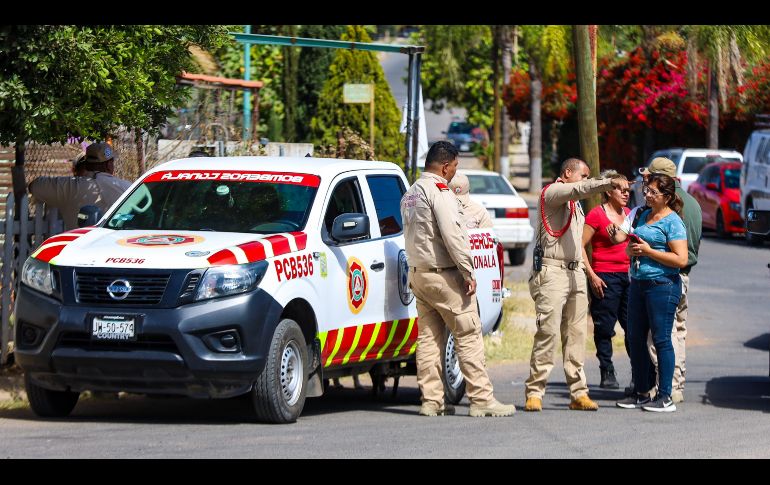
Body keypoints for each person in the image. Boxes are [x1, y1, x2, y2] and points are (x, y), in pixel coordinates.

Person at [400, 140, 515, 417]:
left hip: (419, 275)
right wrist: (467, 271)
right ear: (444, 166)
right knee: (468, 334)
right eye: (454, 166)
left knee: (428, 338)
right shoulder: (439, 192)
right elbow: (453, 234)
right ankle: (482, 400)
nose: (454, 172)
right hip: (445, 277)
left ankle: (431, 401)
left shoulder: (411, 192)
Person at [524, 158, 631, 412]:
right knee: (547, 333)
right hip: (552, 272)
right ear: (567, 173)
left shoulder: (574, 203)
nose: (585, 181)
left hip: (575, 272)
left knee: (576, 335)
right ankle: (535, 391)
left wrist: (586, 272)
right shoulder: (553, 192)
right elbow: (578, 189)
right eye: (583, 175)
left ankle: (578, 392)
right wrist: (607, 182)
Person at [610, 174, 688, 412]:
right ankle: (641, 392)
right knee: (635, 339)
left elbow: (680, 259)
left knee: (662, 339)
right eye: (646, 190)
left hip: (663, 285)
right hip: (639, 284)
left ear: (667, 197)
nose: (647, 195)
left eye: (653, 192)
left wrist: (648, 251)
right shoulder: (643, 215)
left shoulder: (673, 222)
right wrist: (632, 249)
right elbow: (631, 247)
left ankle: (665, 396)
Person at [638, 158, 701, 404]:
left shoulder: (674, 206)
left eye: (651, 177)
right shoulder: (694, 203)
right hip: (685, 275)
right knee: (679, 331)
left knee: (662, 334)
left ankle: (668, 386)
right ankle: (677, 383)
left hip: (668, 274)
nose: (647, 183)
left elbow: (676, 250)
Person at [581, 170, 631, 390]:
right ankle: (606, 369)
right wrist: (592, 275)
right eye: (621, 189)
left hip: (629, 277)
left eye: (628, 190)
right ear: (608, 191)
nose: (626, 193)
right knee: (604, 326)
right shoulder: (596, 215)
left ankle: (637, 372)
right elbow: (580, 246)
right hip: (605, 276)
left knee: (633, 327)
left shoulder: (630, 214)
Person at [29, 142, 132, 230]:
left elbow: (34, 186)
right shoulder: (128, 188)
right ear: (109, 165)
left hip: (78, 246)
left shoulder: (71, 187)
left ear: (86, 165)